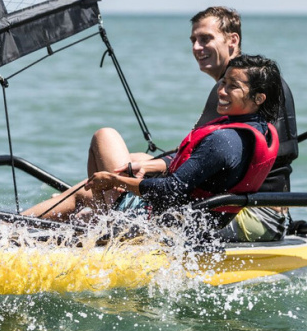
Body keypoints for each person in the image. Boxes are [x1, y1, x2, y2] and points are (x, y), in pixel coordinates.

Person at [22, 54, 283, 235]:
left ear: (259, 97)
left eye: (232, 87)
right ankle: (97, 221)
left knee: (88, 187)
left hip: (172, 225)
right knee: (107, 163)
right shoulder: (259, 130)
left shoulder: (225, 140)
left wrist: (117, 182)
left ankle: (10, 227)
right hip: (198, 219)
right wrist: (151, 166)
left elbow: (170, 190)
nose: (221, 91)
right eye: (222, 82)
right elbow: (200, 165)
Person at [188, 7, 298, 241]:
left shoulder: (246, 91)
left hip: (255, 212)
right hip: (240, 206)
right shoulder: (237, 90)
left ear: (232, 40)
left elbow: (200, 161)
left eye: (206, 38)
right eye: (194, 40)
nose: (196, 47)